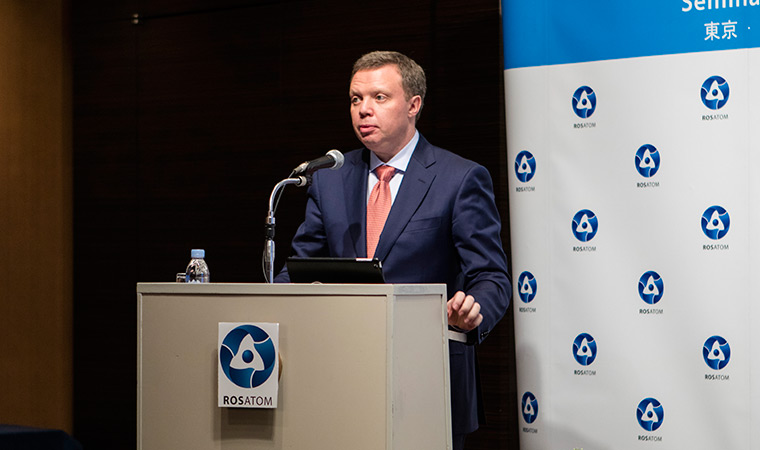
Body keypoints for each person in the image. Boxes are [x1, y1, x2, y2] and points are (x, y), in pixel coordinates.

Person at [275, 50, 511, 449]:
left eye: (379, 97)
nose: (363, 109)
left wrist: (473, 310)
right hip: (340, 375)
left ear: (414, 105)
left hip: (427, 379)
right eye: (355, 99)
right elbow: (299, 270)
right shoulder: (330, 180)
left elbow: (491, 276)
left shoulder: (459, 178)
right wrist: (266, 303)